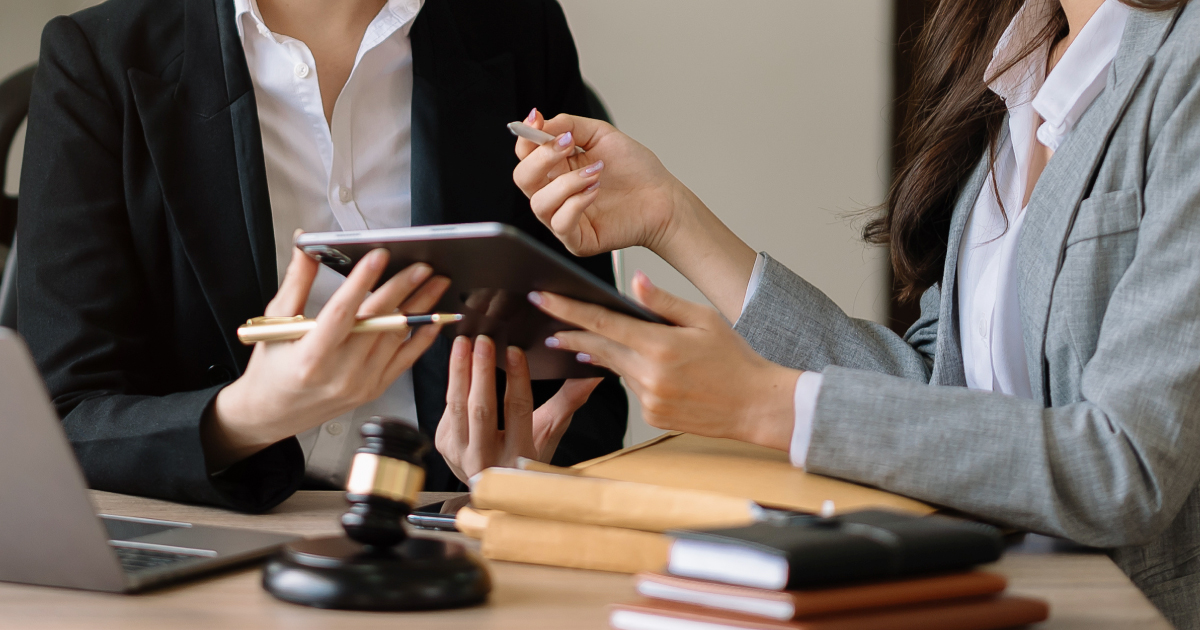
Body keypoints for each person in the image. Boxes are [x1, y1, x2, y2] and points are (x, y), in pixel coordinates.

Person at [442, 0, 1200, 625]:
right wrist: (669, 217)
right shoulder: (1019, 58)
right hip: (969, 595)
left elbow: (1126, 467)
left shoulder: (1182, 64)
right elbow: (940, 397)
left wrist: (774, 406)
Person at [17, 0, 628, 512]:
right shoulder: (95, 57)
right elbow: (56, 422)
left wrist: (516, 463)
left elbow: (587, 369)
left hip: (443, 527)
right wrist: (246, 416)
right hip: (220, 532)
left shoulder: (518, 29)